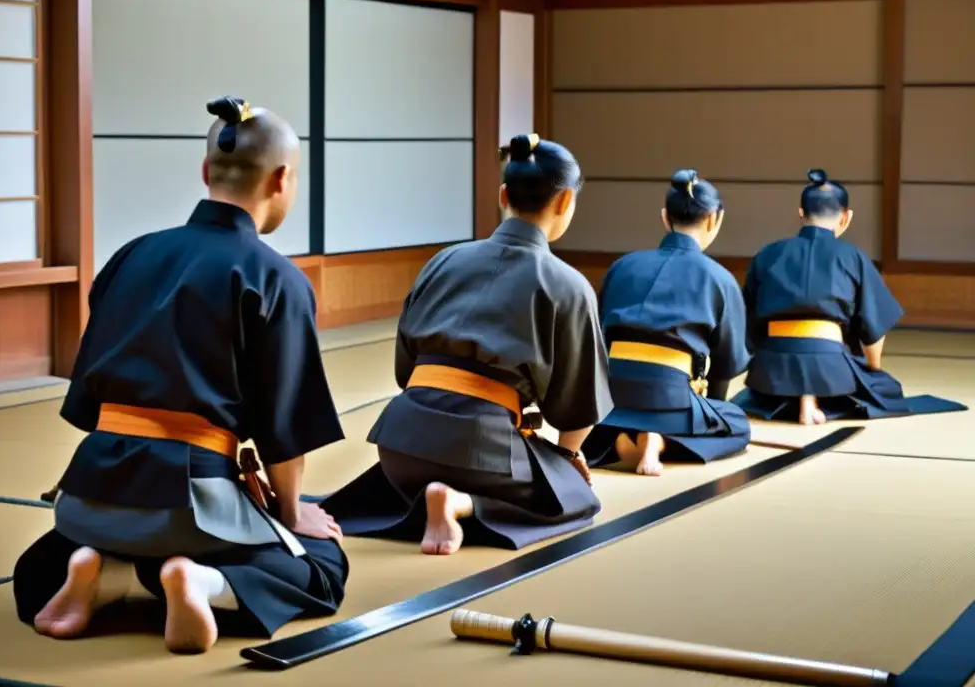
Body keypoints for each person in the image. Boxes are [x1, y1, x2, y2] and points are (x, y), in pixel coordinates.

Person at [13, 96, 349, 655]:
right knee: (321, 563)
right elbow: (285, 428)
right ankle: (199, 581)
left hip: (89, 492)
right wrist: (291, 514)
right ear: (283, 179)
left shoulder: (131, 255)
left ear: (204, 172)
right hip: (190, 498)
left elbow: (85, 410)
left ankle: (105, 571)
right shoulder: (276, 278)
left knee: (34, 573)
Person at [321, 134, 614, 556]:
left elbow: (406, 372)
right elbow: (578, 407)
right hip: (481, 456)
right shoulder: (568, 285)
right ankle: (461, 505)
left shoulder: (444, 259)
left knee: (413, 478)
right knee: (576, 498)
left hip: (398, 448)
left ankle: (429, 498)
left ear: (502, 195)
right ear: (566, 201)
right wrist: (564, 463)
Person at [732, 168, 967, 424]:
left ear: (801, 214)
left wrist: (768, 357)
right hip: (831, 368)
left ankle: (798, 397)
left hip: (774, 371)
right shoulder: (853, 257)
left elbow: (748, 322)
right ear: (846, 217)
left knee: (753, 396)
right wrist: (872, 372)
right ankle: (814, 399)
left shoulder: (768, 254)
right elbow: (874, 329)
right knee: (883, 389)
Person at [581, 170, 751, 476]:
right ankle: (661, 441)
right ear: (714, 219)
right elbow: (727, 364)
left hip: (612, 401)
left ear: (664, 217)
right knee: (737, 425)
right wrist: (707, 415)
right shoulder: (720, 278)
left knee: (590, 434)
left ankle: (623, 442)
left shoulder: (623, 266)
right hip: (672, 397)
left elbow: (598, 340)